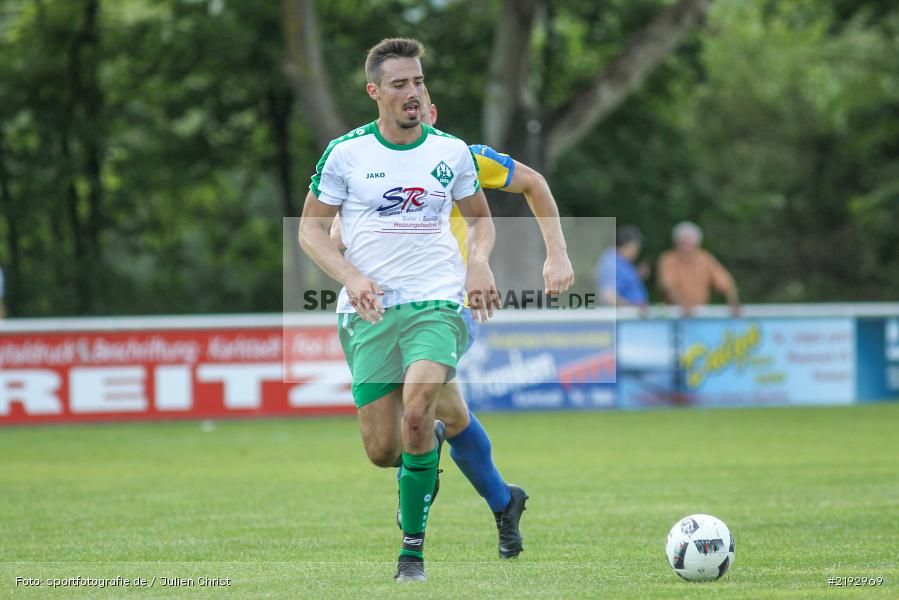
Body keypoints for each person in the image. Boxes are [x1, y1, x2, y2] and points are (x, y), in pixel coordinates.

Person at [330, 85, 575, 560]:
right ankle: (505, 502)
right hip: (388, 303)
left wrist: (558, 254)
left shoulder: (463, 157)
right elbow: (341, 220)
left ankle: (418, 495)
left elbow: (534, 183)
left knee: (419, 412)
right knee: (449, 416)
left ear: (433, 115)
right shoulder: (368, 163)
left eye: (423, 103)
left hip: (450, 300)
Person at [298, 38, 501, 583]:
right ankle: (430, 450)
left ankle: (411, 553)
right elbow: (310, 231)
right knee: (383, 451)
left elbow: (481, 221)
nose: (413, 93)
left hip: (437, 300)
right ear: (375, 92)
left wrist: (478, 262)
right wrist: (350, 275)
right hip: (367, 311)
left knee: (418, 411)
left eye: (418, 82)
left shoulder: (451, 152)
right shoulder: (345, 154)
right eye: (399, 85)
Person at [657, 221, 740, 316]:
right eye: (683, 243)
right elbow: (668, 286)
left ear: (697, 244)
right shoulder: (668, 259)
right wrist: (682, 305)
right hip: (673, 315)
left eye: (690, 243)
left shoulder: (705, 259)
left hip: (699, 314)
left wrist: (734, 303)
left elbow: (726, 283)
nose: (686, 247)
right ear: (676, 243)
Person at [596, 225, 649, 307]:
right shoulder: (611, 260)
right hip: (623, 317)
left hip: (631, 316)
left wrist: (638, 275)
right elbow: (607, 295)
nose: (639, 249)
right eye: (637, 245)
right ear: (629, 245)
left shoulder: (625, 262)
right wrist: (632, 307)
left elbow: (626, 286)